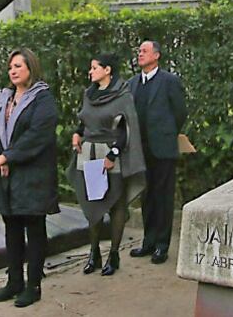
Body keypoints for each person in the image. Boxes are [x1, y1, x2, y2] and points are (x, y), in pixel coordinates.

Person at [0, 48, 59, 308]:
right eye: (11, 67)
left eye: (18, 66)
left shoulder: (42, 99)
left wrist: (9, 157)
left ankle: (33, 285)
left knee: (34, 230)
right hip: (6, 173)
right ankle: (13, 282)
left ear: (31, 68)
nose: (13, 71)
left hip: (33, 174)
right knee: (12, 229)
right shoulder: (2, 98)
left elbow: (38, 135)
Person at [68, 53, 145, 276]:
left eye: (94, 67)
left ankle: (114, 253)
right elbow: (84, 122)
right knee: (93, 204)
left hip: (111, 155)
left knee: (116, 203)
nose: (90, 72)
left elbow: (126, 129)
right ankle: (94, 253)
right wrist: (77, 133)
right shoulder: (89, 94)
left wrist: (113, 154)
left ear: (108, 70)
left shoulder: (123, 96)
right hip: (90, 155)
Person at [128, 40, 187, 265]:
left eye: (144, 51)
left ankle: (162, 245)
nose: (140, 54)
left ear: (157, 55)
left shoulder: (169, 81)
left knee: (163, 196)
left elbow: (180, 111)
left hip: (162, 149)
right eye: (139, 51)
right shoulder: (133, 83)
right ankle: (148, 241)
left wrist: (167, 133)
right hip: (140, 150)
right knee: (147, 196)